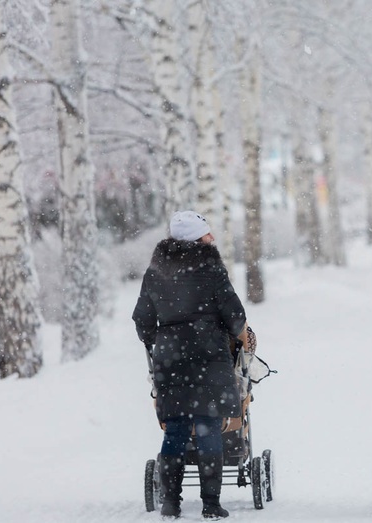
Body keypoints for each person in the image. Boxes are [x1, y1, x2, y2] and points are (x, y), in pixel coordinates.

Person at [132, 210, 247, 520]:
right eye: (207, 233)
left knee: (176, 432)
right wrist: (234, 333)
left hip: (171, 359)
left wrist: (162, 336)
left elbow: (142, 320)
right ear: (198, 237)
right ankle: (211, 504)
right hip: (209, 356)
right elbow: (235, 317)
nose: (212, 238)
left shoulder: (155, 272)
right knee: (209, 427)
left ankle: (171, 503)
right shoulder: (212, 269)